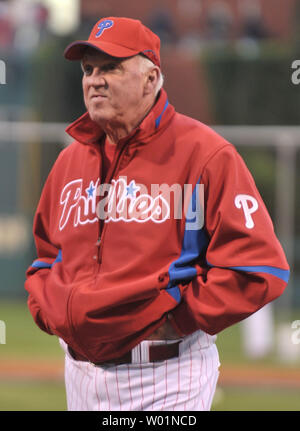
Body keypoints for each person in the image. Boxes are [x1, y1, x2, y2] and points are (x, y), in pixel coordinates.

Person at [25, 16, 289, 411]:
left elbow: (261, 268)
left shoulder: (205, 154)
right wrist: (52, 311)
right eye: (88, 69)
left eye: (111, 67)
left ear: (151, 79)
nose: (94, 80)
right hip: (79, 374)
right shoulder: (69, 162)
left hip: (166, 375)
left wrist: (180, 320)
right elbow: (46, 256)